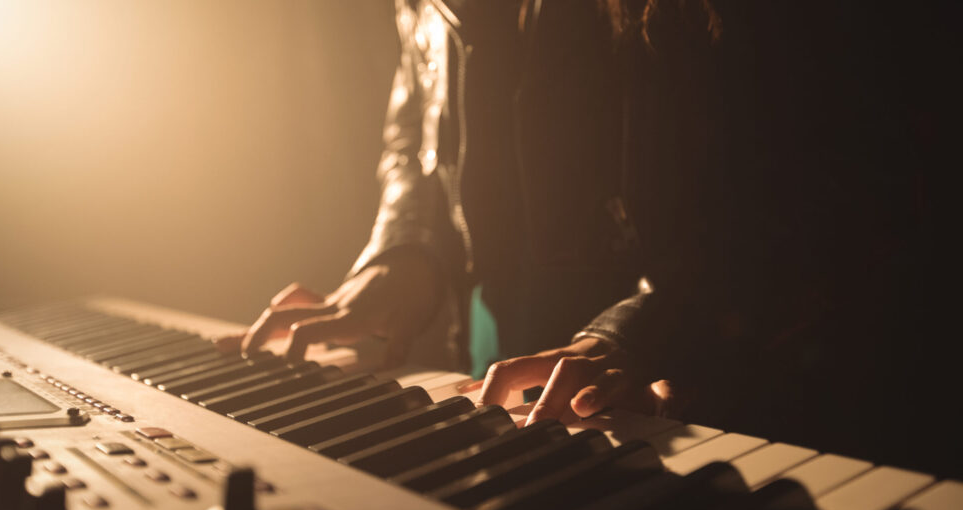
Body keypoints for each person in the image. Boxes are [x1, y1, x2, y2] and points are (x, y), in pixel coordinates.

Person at [220, 0, 946, 475]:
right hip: (505, 339)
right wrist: (407, 247)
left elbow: (841, 182)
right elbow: (416, 116)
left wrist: (645, 332)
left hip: (759, 370)